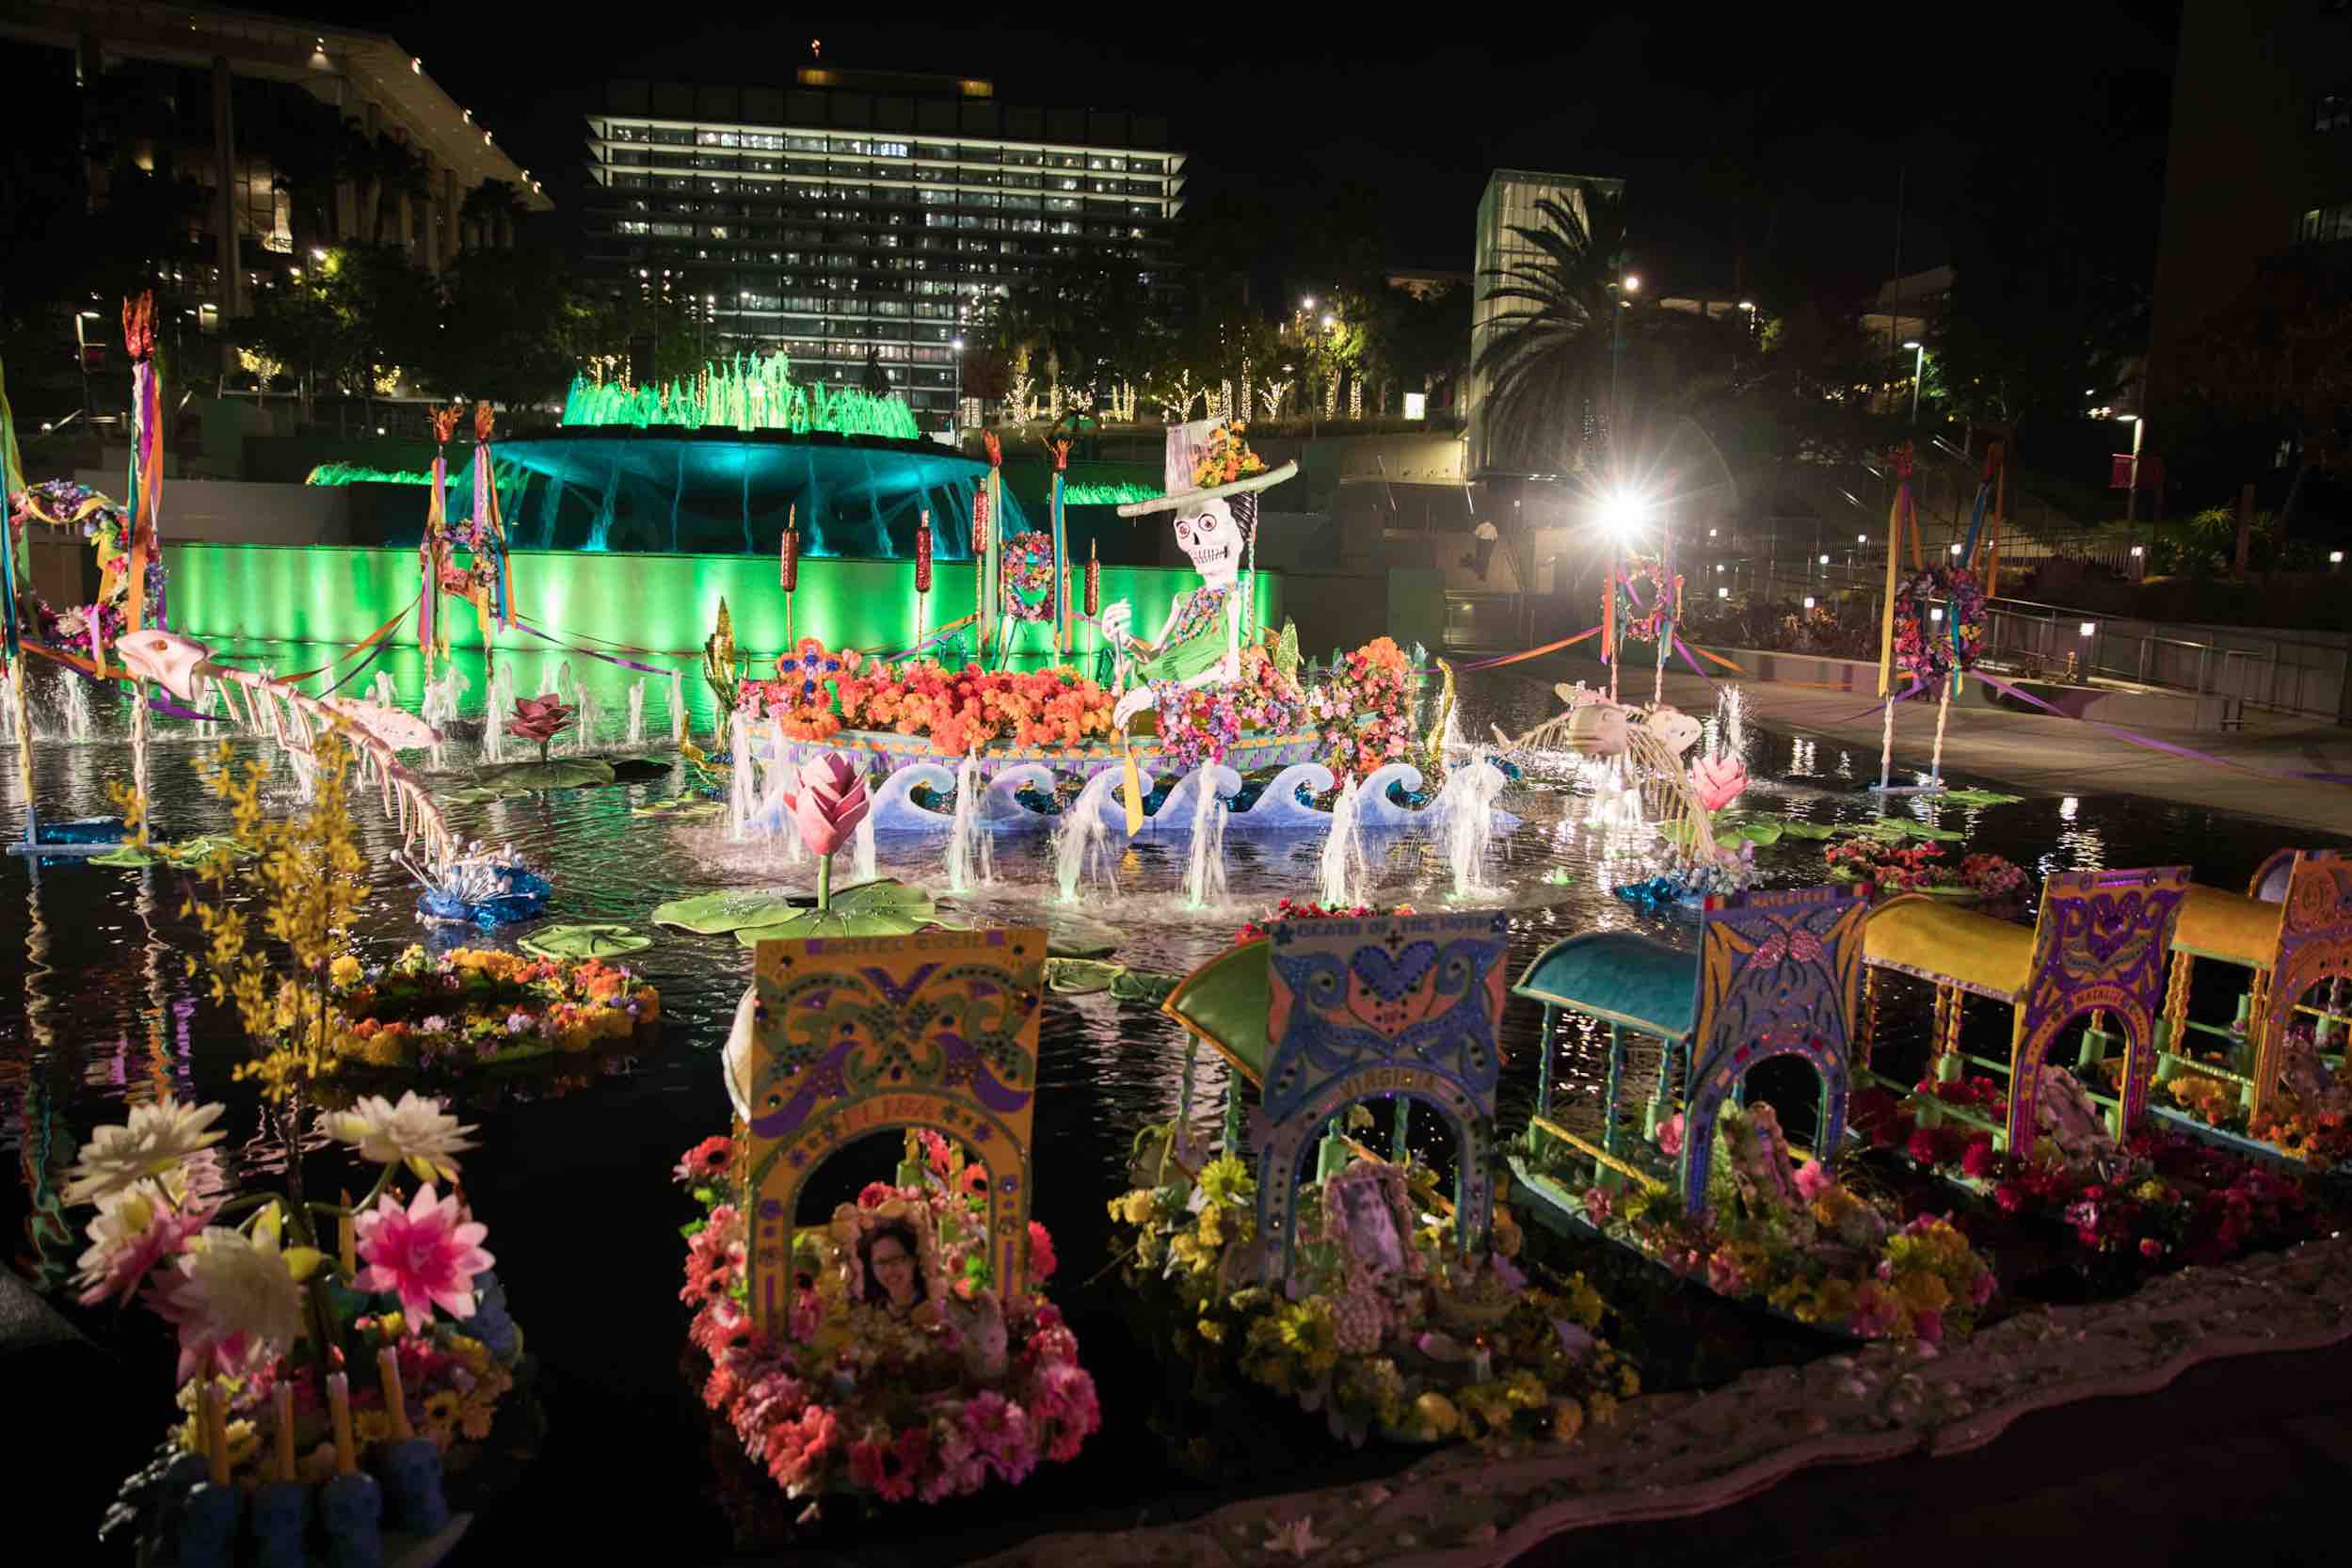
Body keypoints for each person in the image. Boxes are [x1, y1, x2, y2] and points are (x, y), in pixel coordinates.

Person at [858, 1220, 926, 1319]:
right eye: (881, 1262)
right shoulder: (869, 1312)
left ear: (914, 1260)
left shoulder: (933, 1306)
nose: (889, 1269)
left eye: (897, 1259)